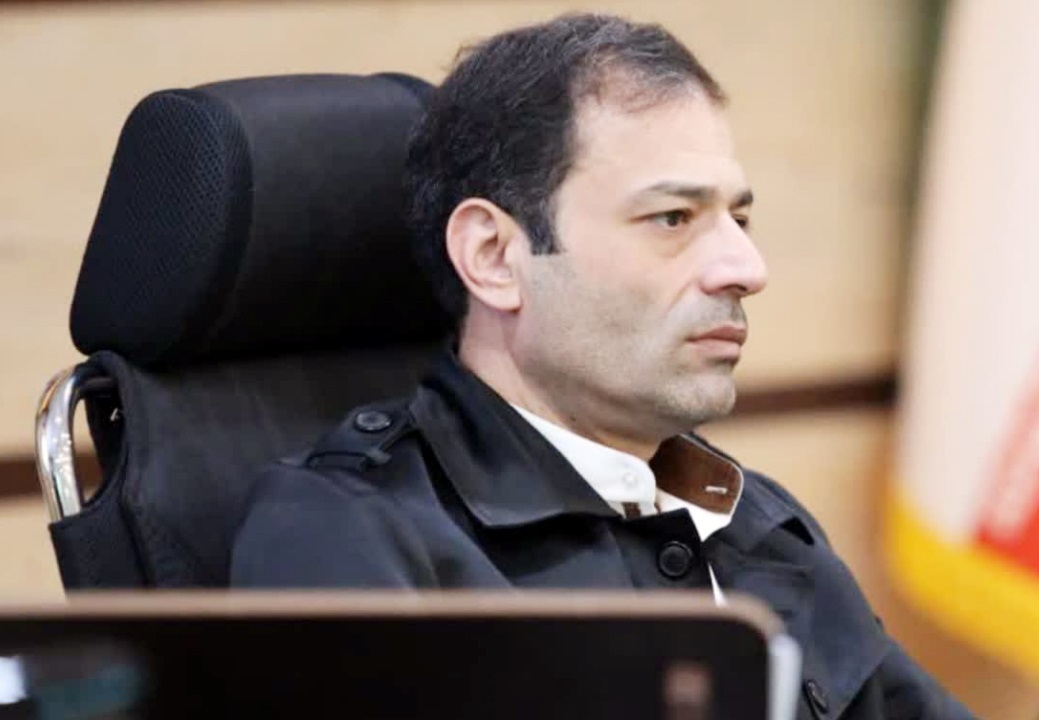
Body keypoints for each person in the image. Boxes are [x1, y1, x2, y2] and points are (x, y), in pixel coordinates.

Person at [231, 13, 975, 719]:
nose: (747, 268)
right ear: (494, 257)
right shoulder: (345, 536)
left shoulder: (757, 517)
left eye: (739, 219)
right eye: (672, 218)